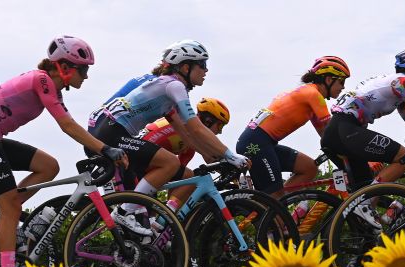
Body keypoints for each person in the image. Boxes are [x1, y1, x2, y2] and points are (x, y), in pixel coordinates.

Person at [0, 36, 126, 267]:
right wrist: (106, 149)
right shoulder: (42, 79)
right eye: (84, 69)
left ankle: (5, 208)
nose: (86, 77)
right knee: (11, 206)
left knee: (49, 167)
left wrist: (99, 148)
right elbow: (66, 125)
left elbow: (70, 124)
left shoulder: (51, 88)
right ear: (64, 67)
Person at [89, 39, 247, 236]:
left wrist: (217, 157)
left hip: (110, 131)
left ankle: (145, 223)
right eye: (202, 65)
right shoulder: (174, 86)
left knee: (187, 176)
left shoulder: (167, 92)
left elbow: (187, 135)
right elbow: (197, 128)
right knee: (169, 162)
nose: (206, 71)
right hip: (110, 132)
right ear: (186, 67)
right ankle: (124, 212)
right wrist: (231, 155)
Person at [322, 47, 405, 196]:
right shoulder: (404, 83)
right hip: (346, 129)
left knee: (363, 186)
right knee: (404, 157)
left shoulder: (396, 87)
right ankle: (365, 201)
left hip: (339, 130)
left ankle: (360, 211)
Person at [236, 56, 351, 196]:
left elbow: (326, 136)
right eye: (341, 81)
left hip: (261, 141)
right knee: (274, 199)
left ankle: (280, 206)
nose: (343, 87)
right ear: (328, 80)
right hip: (256, 143)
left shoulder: (308, 94)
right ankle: (274, 210)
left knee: (309, 168)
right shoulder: (313, 95)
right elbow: (333, 133)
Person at [138, 97, 230, 211]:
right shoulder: (189, 128)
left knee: (183, 179)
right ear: (208, 121)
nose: (220, 132)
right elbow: (211, 155)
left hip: (146, 159)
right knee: (190, 177)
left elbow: (178, 178)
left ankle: (167, 215)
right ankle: (168, 213)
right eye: (220, 126)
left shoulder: (189, 142)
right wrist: (231, 160)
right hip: (141, 158)